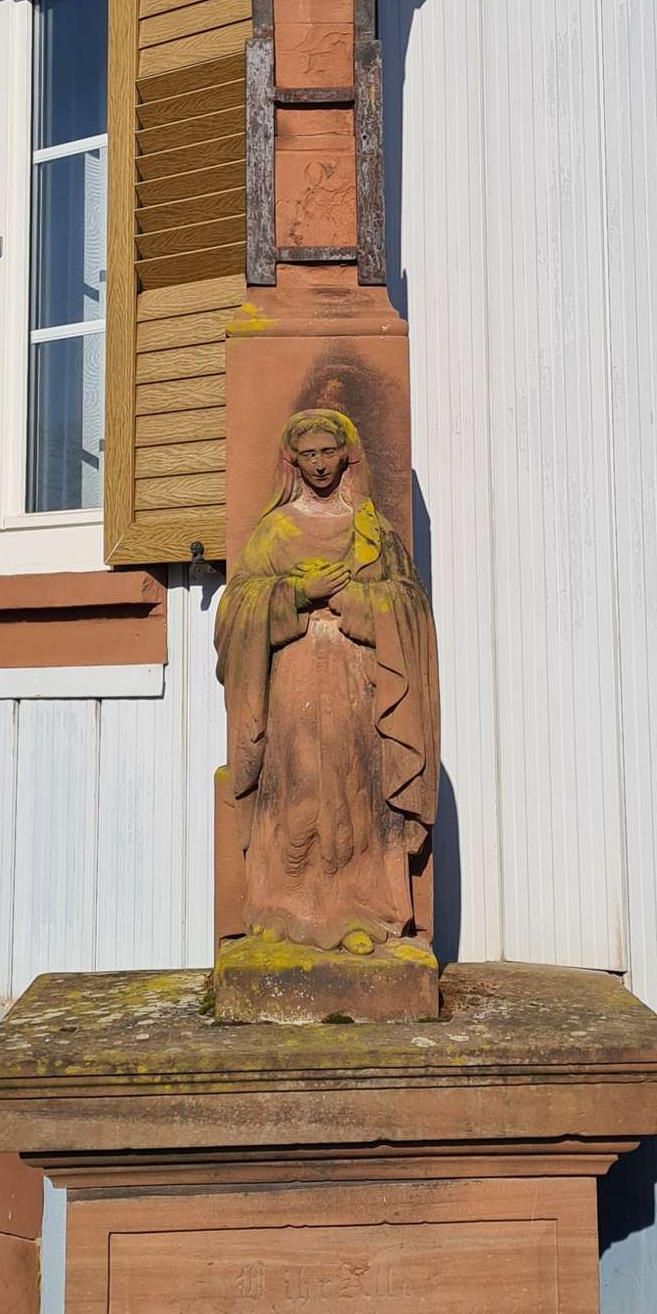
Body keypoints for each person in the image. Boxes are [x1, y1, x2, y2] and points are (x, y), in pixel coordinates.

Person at [214, 408, 440, 952]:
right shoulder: (276, 529)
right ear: (293, 460)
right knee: (298, 787)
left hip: (357, 685)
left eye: (328, 452)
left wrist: (354, 600)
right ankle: (283, 911)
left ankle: (362, 911)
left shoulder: (372, 532)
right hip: (292, 684)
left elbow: (411, 607)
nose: (319, 465)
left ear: (346, 455)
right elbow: (234, 610)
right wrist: (295, 594)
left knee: (354, 790)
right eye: (308, 454)